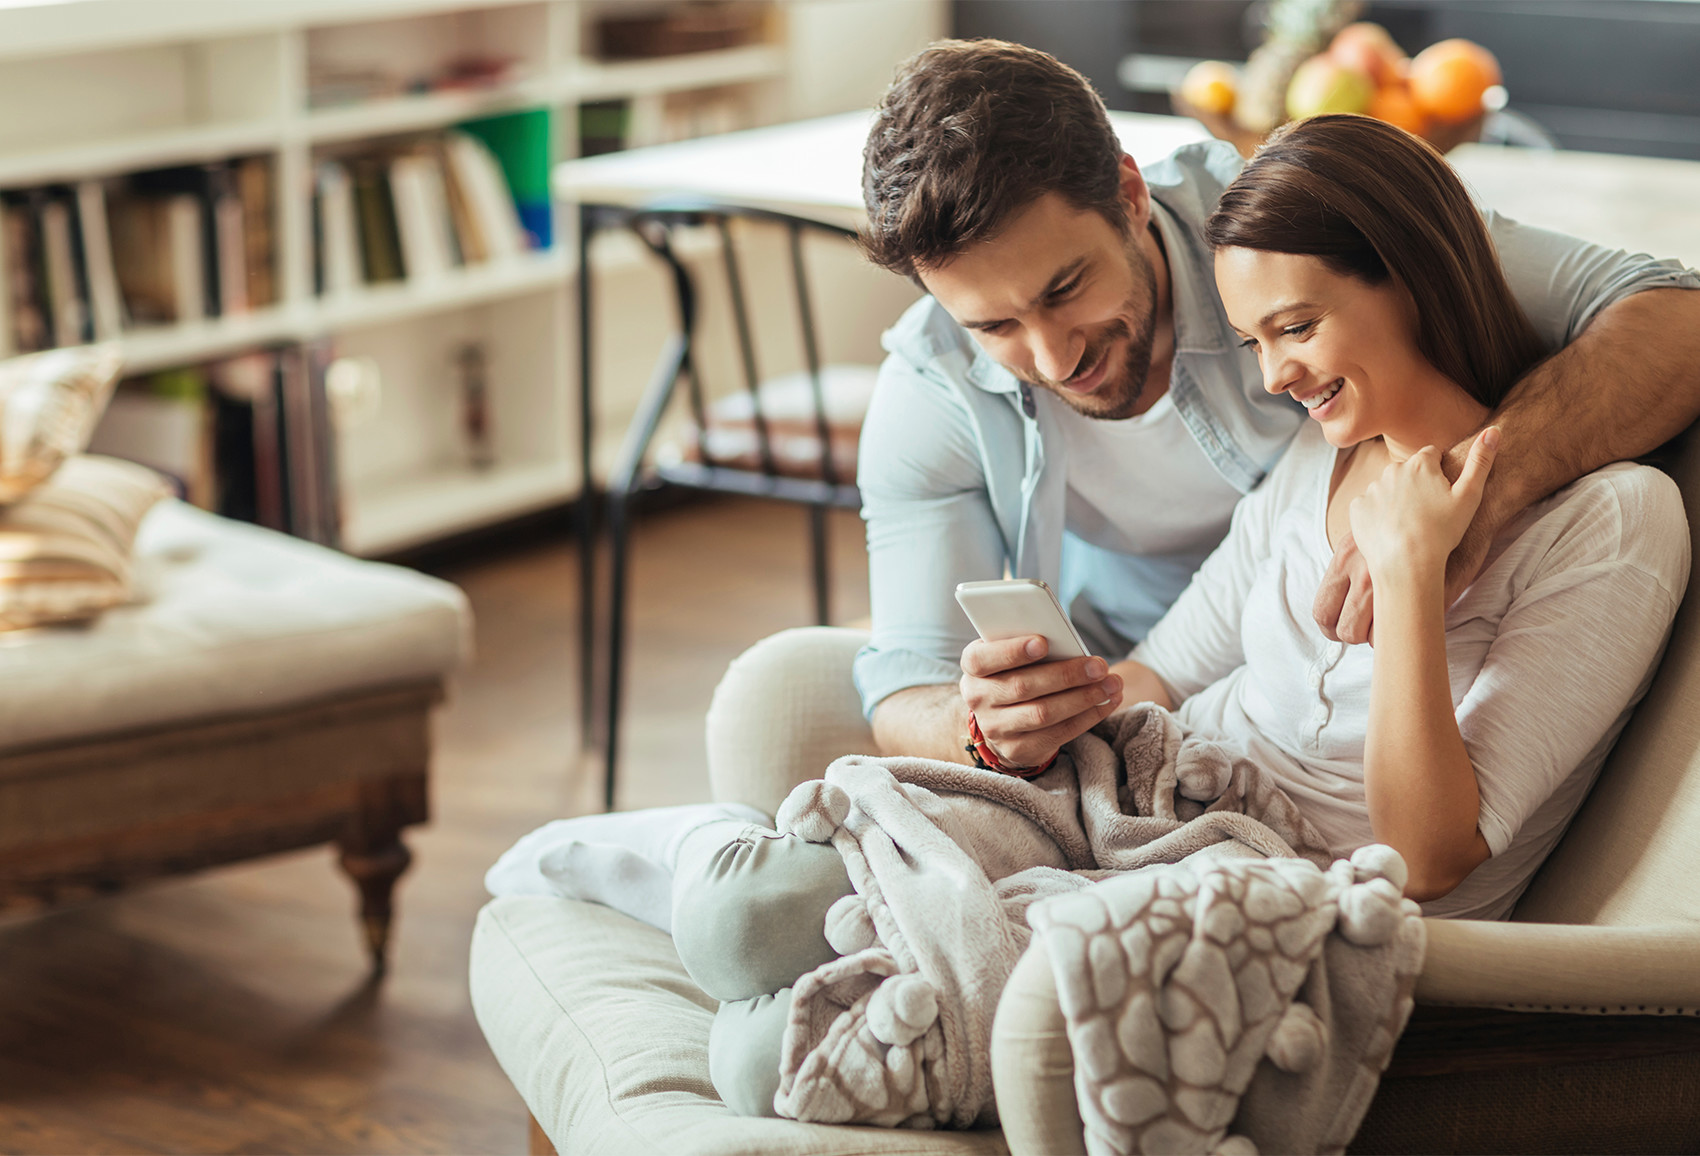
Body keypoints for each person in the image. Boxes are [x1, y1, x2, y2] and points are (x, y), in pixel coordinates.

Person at [490, 112, 1688, 1119]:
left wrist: (1420, 565)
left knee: (760, 1051)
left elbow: (1422, 857)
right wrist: (1023, 706)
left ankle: (725, 879)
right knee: (754, 917)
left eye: (1296, 329)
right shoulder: (1314, 464)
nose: (1269, 377)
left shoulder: (1614, 524)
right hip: (1162, 811)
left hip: (1299, 894)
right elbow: (1160, 670)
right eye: (995, 326)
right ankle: (697, 861)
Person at [853, 40, 1700, 779]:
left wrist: (1475, 489)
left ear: (1129, 194)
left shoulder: (1280, 231)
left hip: (1337, 683)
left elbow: (1675, 311)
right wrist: (987, 731)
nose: (1052, 358)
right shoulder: (933, 392)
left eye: (1066, 288)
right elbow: (903, 685)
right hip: (1147, 688)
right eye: (993, 326)